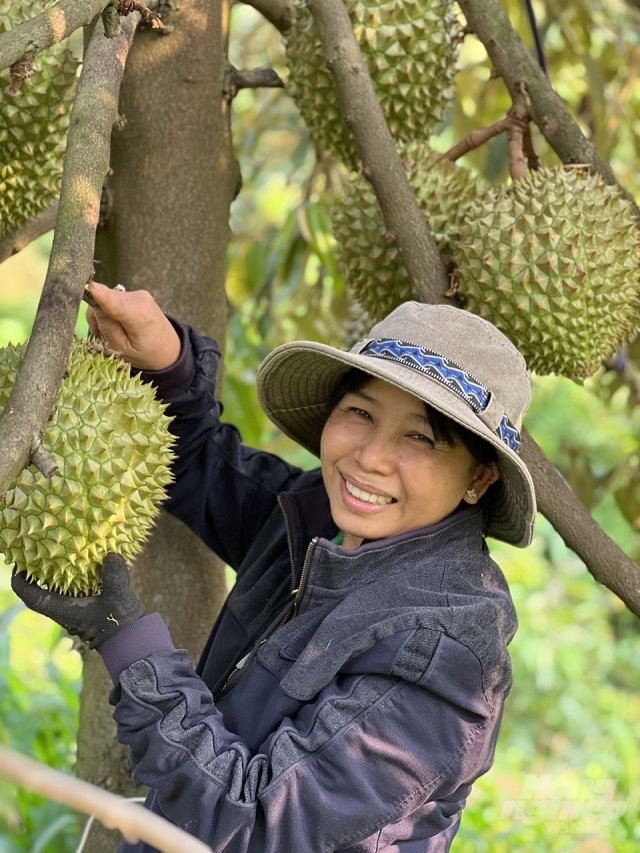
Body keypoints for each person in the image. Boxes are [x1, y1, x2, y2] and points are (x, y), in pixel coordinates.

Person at [12, 283, 537, 852]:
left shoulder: (447, 657)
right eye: (360, 412)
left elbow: (260, 826)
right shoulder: (312, 520)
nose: (369, 457)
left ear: (478, 479)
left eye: (420, 438)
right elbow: (202, 467)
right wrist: (168, 363)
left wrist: (130, 648)